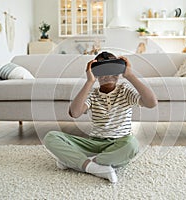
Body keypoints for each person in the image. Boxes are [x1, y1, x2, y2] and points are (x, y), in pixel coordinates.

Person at [44, 51, 157, 183]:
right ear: (96, 74)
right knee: (51, 137)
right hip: (94, 143)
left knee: (132, 145)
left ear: (119, 72)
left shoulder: (125, 90)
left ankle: (77, 162)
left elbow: (151, 103)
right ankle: (95, 165)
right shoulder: (93, 94)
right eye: (102, 71)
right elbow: (74, 113)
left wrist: (130, 75)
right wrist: (89, 81)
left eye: (112, 70)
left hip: (119, 142)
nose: (108, 75)